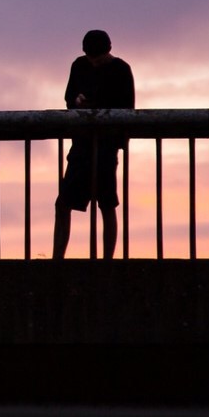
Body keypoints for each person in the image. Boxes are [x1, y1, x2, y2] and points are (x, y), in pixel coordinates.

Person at [53, 29, 135, 260]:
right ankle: (57, 259)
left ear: (108, 50)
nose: (95, 62)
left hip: (106, 146)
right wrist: (76, 100)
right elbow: (69, 98)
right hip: (82, 144)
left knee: (107, 204)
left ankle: (107, 260)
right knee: (64, 204)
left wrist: (118, 143)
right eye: (91, 57)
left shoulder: (121, 69)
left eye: (98, 58)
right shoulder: (79, 66)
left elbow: (127, 109)